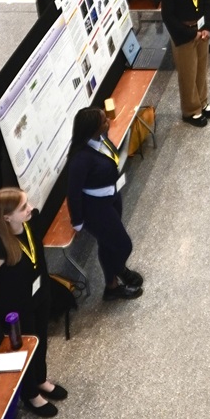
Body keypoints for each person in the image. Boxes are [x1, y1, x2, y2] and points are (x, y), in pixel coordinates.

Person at [0, 188, 67, 415]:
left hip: (39, 297)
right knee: (26, 350)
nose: (30, 208)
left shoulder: (28, 226)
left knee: (41, 341)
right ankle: (31, 394)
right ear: (6, 217)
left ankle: (40, 379)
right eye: (23, 207)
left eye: (26, 203)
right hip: (16, 310)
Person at [67, 103, 145, 297]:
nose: (108, 121)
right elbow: (73, 191)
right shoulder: (80, 159)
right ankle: (118, 271)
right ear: (93, 129)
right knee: (123, 245)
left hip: (111, 196)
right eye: (104, 121)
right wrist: (77, 222)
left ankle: (112, 284)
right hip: (96, 208)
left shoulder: (101, 139)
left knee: (107, 243)